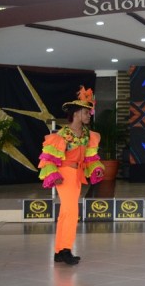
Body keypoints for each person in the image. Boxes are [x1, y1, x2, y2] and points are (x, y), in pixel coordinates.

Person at [38, 86, 105, 265]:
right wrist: (53, 174)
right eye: (86, 112)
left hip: (77, 174)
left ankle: (59, 251)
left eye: (89, 112)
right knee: (71, 211)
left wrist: (96, 168)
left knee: (66, 213)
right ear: (76, 114)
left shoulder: (87, 135)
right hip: (65, 174)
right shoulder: (63, 135)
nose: (89, 115)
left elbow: (90, 157)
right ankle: (66, 249)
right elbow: (48, 157)